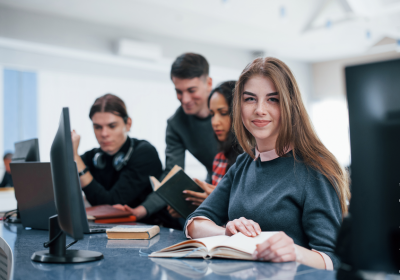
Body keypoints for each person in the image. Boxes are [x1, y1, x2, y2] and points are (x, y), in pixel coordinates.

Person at [185, 57, 351, 270]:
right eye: (250, 99)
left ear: (290, 105)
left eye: (273, 99)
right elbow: (195, 223)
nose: (259, 110)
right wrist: (228, 231)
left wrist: (294, 251)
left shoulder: (315, 170)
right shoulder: (243, 164)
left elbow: (334, 260)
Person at [132, 53, 219, 220]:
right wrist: (142, 210)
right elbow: (172, 175)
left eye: (191, 90)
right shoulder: (176, 124)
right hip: (212, 188)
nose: (185, 99)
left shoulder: (233, 106)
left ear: (208, 83)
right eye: (179, 91)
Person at [71, 93, 164, 224]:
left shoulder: (144, 153)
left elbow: (110, 206)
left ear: (128, 124)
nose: (104, 134)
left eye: (112, 126)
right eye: (97, 127)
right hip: (109, 232)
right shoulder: (93, 156)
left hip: (152, 231)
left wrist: (76, 159)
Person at [170, 81, 242, 213]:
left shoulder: (252, 159)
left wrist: (218, 200)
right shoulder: (220, 158)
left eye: (223, 113)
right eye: (212, 114)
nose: (215, 122)